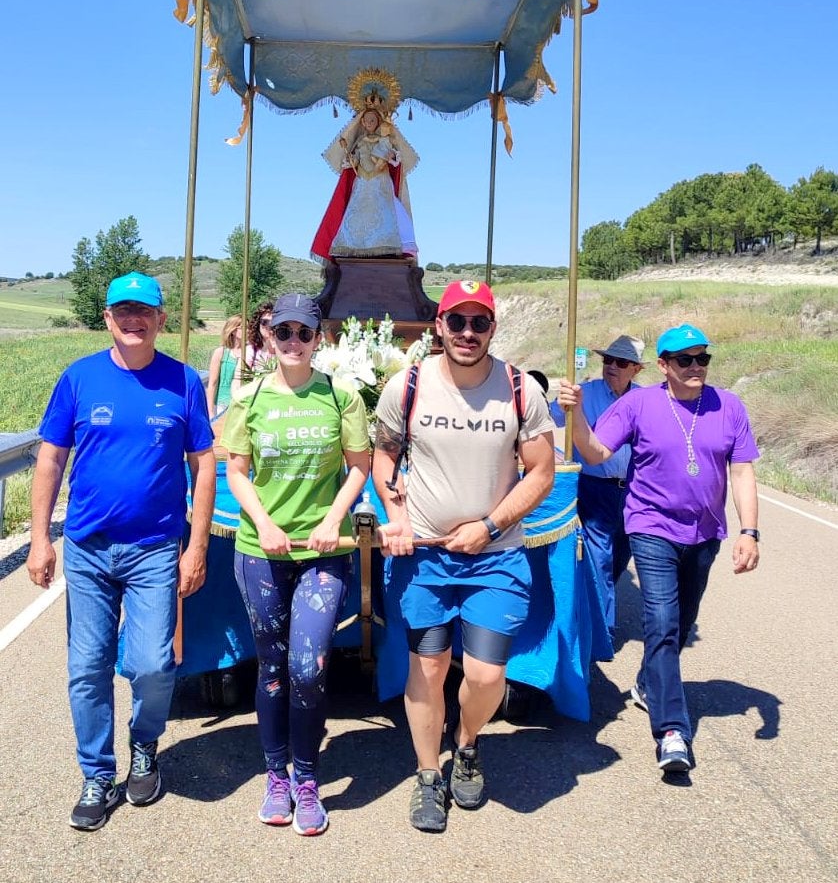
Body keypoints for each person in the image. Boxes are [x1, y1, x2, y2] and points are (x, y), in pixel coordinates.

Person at [27, 271, 215, 830]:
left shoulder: (182, 381)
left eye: (144, 311)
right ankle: (96, 773)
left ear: (160, 319)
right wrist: (40, 539)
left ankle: (146, 746)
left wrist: (197, 545)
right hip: (87, 548)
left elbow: (203, 464)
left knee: (153, 665)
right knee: (87, 667)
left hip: (155, 548)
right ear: (107, 318)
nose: (133, 319)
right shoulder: (79, 379)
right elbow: (50, 458)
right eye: (122, 310)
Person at [373, 280, 555, 831]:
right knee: (426, 668)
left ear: (493, 328)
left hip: (495, 556)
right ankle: (429, 776)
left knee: (485, 675)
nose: (468, 333)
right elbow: (385, 456)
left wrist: (491, 524)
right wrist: (395, 514)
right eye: (457, 321)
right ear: (439, 326)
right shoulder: (406, 386)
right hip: (425, 559)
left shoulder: (520, 389)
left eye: (480, 323)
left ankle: (467, 741)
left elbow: (541, 474)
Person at [557, 323, 760, 774]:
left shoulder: (729, 406)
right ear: (665, 366)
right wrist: (575, 416)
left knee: (682, 623)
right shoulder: (639, 403)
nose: (695, 367)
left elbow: (743, 471)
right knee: (663, 622)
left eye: (702, 358)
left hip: (705, 533)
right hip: (650, 527)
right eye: (684, 360)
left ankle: (650, 682)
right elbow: (593, 453)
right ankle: (672, 731)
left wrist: (749, 531)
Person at [221, 293, 370, 836]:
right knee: (274, 667)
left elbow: (359, 466)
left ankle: (306, 778)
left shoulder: (341, 395)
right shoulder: (249, 398)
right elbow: (236, 471)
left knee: (309, 666)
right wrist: (263, 523)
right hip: (261, 552)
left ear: (319, 338)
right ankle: (275, 776)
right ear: (267, 336)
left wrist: (334, 519)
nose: (292, 342)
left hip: (324, 554)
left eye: (303, 333)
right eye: (282, 332)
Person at [549, 335, 646, 636]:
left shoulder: (644, 399)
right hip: (593, 487)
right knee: (599, 556)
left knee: (620, 554)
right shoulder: (585, 394)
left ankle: (595, 602)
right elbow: (549, 416)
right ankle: (602, 630)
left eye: (621, 362)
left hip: (633, 491)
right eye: (608, 360)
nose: (612, 367)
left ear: (637, 369)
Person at [311, 103, 418, 262]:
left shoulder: (385, 141)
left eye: (372, 121)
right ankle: (354, 246)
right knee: (356, 213)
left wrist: (391, 158)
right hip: (362, 182)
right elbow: (355, 160)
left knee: (389, 211)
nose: (369, 124)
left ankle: (387, 245)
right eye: (366, 121)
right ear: (362, 123)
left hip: (381, 182)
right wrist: (350, 160)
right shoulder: (360, 142)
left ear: (378, 122)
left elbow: (396, 162)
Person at [206, 314, 243, 421]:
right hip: (223, 403)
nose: (248, 330)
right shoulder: (221, 353)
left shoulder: (249, 353)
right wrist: (210, 411)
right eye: (243, 327)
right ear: (234, 330)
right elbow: (212, 383)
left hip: (242, 403)